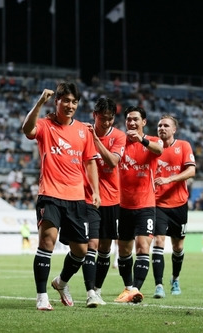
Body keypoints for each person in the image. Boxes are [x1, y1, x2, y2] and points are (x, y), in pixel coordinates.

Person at [22, 82, 100, 311]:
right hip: (50, 193)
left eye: (74, 102)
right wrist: (38, 103)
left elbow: (90, 162)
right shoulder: (45, 125)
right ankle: (41, 296)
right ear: (56, 101)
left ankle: (61, 282)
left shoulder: (83, 131)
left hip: (76, 197)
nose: (70, 105)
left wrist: (95, 191)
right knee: (47, 240)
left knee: (81, 251)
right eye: (65, 100)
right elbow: (27, 129)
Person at [115, 106, 163, 303]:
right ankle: (129, 288)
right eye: (128, 120)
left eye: (135, 119)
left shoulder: (152, 141)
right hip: (123, 206)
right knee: (124, 250)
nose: (132, 123)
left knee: (142, 246)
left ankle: (136, 289)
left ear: (144, 122)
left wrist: (141, 140)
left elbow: (159, 149)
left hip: (145, 205)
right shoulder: (120, 142)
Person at [81, 97, 126, 306]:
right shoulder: (83, 133)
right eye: (102, 118)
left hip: (112, 199)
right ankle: (90, 292)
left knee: (105, 249)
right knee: (92, 244)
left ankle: (97, 289)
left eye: (110, 119)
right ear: (94, 115)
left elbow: (113, 161)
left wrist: (95, 139)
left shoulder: (119, 136)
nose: (106, 122)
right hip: (88, 198)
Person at [152, 114, 196, 298]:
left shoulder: (183, 146)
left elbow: (191, 170)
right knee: (159, 242)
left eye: (166, 125)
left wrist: (169, 179)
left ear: (174, 129)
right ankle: (159, 285)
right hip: (158, 204)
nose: (162, 128)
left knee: (177, 247)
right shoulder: (152, 146)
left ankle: (175, 278)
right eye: (160, 125)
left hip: (179, 204)